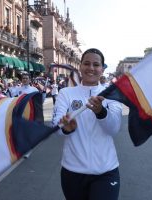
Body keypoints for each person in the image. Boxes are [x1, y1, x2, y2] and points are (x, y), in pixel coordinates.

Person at [52, 48, 122, 200]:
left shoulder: (111, 94)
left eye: (96, 65)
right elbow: (56, 127)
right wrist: (65, 129)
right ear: (80, 67)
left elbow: (114, 128)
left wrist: (101, 112)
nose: (91, 68)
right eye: (87, 63)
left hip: (105, 171)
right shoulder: (66, 94)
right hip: (73, 171)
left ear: (102, 69)